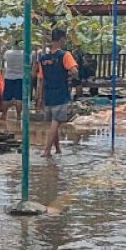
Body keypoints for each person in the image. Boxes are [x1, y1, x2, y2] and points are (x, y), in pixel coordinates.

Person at [37, 29, 78, 158]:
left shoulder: (43, 59)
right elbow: (74, 70)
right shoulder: (65, 55)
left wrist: (39, 98)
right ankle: (47, 150)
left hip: (48, 94)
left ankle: (58, 149)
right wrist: (72, 73)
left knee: (53, 123)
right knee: (55, 123)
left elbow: (41, 79)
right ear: (61, 40)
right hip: (61, 93)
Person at [0, 40, 24, 120]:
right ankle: (18, 115)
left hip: (9, 77)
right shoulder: (25, 53)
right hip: (20, 77)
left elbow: (4, 60)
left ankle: (4, 114)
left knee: (6, 97)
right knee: (19, 98)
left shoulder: (8, 53)